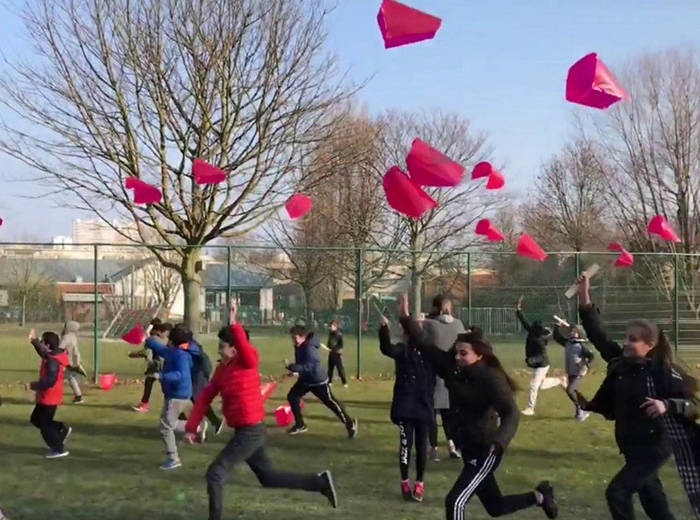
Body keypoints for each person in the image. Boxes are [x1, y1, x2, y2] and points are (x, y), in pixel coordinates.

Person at [397, 295, 558, 519]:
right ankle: (540, 496)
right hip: (469, 447)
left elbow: (510, 412)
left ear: (479, 355)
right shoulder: (453, 369)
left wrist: (499, 442)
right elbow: (425, 343)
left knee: (455, 502)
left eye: (464, 353)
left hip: (487, 448)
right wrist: (405, 317)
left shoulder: (491, 377)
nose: (458, 356)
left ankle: (540, 495)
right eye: (456, 352)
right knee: (496, 507)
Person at [184, 299, 338, 520]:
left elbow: (245, 348)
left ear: (234, 348)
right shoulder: (221, 370)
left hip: (251, 431)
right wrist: (191, 427)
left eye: (222, 346)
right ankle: (319, 482)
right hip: (244, 431)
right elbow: (203, 398)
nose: (218, 350)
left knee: (215, 473)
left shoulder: (248, 361)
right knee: (268, 477)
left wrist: (233, 321)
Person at [573, 273, 700, 519]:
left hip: (655, 447)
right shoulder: (621, 363)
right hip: (630, 445)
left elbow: (693, 405)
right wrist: (584, 296)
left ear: (649, 345)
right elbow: (599, 335)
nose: (625, 343)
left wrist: (667, 405)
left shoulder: (662, 371)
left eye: (633, 339)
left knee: (617, 492)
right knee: (652, 499)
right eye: (626, 337)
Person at [379, 313, 435, 502]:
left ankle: (419, 483)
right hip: (405, 406)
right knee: (405, 444)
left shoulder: (431, 355)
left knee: (421, 446)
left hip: (424, 406)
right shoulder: (404, 351)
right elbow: (386, 347)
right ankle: (405, 481)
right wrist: (384, 329)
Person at [144, 324, 201, 470]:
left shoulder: (180, 355)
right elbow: (162, 350)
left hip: (177, 395)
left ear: (173, 339)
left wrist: (160, 375)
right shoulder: (175, 351)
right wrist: (149, 339)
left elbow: (180, 375)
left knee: (165, 427)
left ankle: (173, 458)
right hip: (179, 394)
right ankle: (197, 427)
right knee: (170, 423)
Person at [286, 325, 358, 437]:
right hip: (306, 379)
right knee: (292, 396)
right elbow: (303, 364)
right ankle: (300, 425)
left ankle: (350, 423)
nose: (293, 340)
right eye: (292, 337)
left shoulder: (309, 348)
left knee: (331, 403)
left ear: (303, 337)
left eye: (295, 338)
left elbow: (309, 365)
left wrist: (294, 367)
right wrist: (296, 372)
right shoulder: (299, 345)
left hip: (317, 381)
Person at [423, 295, 465, 461]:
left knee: (431, 414)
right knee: (450, 415)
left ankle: (432, 448)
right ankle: (453, 446)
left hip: (433, 374)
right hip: (453, 376)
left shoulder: (430, 325)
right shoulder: (459, 325)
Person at [516, 297, 566, 416]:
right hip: (539, 363)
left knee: (534, 385)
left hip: (542, 364)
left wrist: (531, 361)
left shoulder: (541, 340)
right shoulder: (534, 332)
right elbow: (524, 321)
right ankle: (559, 381)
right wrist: (518, 310)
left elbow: (540, 355)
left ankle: (530, 408)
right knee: (541, 385)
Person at [27, 328, 72, 459]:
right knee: (36, 419)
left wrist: (32, 385)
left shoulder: (52, 360)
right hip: (46, 396)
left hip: (50, 397)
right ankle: (61, 428)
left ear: (47, 345)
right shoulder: (52, 355)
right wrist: (33, 340)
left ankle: (58, 449)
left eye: (42, 341)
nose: (41, 343)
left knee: (44, 425)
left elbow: (50, 380)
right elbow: (42, 351)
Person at [552, 316, 595, 421]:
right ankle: (582, 411)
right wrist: (558, 325)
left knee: (570, 390)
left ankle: (581, 410)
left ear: (579, 334)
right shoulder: (568, 343)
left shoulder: (581, 346)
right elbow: (557, 336)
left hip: (578, 372)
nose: (572, 333)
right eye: (571, 331)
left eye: (574, 332)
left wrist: (582, 363)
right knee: (573, 391)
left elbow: (591, 356)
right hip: (571, 371)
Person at [129, 320, 172, 412]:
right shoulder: (166, 340)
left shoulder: (152, 340)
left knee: (151, 384)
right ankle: (146, 404)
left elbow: (147, 353)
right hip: (164, 366)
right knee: (159, 385)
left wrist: (132, 354)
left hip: (156, 367)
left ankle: (145, 405)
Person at [60, 321, 86, 404]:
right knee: (70, 377)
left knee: (56, 378)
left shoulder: (66, 337)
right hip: (72, 361)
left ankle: (49, 395)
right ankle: (78, 396)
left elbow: (60, 348)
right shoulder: (73, 337)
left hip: (66, 362)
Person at [326, 320, 347, 387]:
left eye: (331, 326)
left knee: (340, 369)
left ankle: (344, 382)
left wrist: (336, 350)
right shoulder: (330, 333)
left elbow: (341, 345)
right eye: (330, 326)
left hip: (337, 354)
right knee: (330, 369)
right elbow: (329, 343)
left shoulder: (339, 334)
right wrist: (329, 348)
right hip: (331, 354)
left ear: (335, 326)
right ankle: (329, 381)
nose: (330, 327)